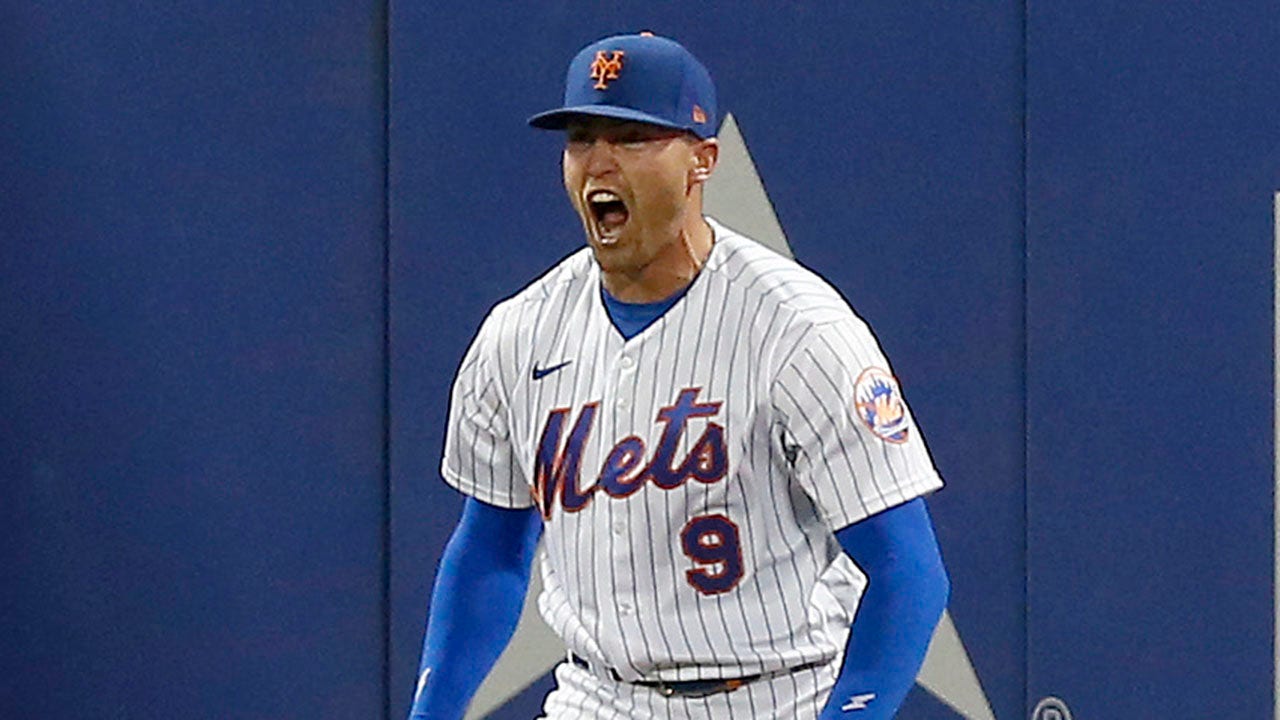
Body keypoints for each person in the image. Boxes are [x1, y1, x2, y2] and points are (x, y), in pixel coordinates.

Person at [409, 32, 949, 720]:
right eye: (580, 138)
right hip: (595, 698)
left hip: (775, 698)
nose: (598, 162)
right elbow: (489, 549)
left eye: (632, 137)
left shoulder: (799, 332)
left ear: (701, 161)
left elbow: (910, 573)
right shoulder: (519, 333)